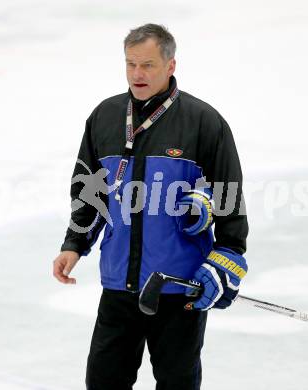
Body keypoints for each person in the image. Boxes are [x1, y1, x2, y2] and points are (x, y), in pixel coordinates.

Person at [53, 23, 248, 390]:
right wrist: (73, 244)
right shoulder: (105, 117)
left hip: (178, 288)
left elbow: (229, 202)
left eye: (147, 65)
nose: (137, 74)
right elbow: (88, 192)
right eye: (130, 64)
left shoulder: (204, 122)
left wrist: (228, 256)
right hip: (118, 286)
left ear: (170, 65)